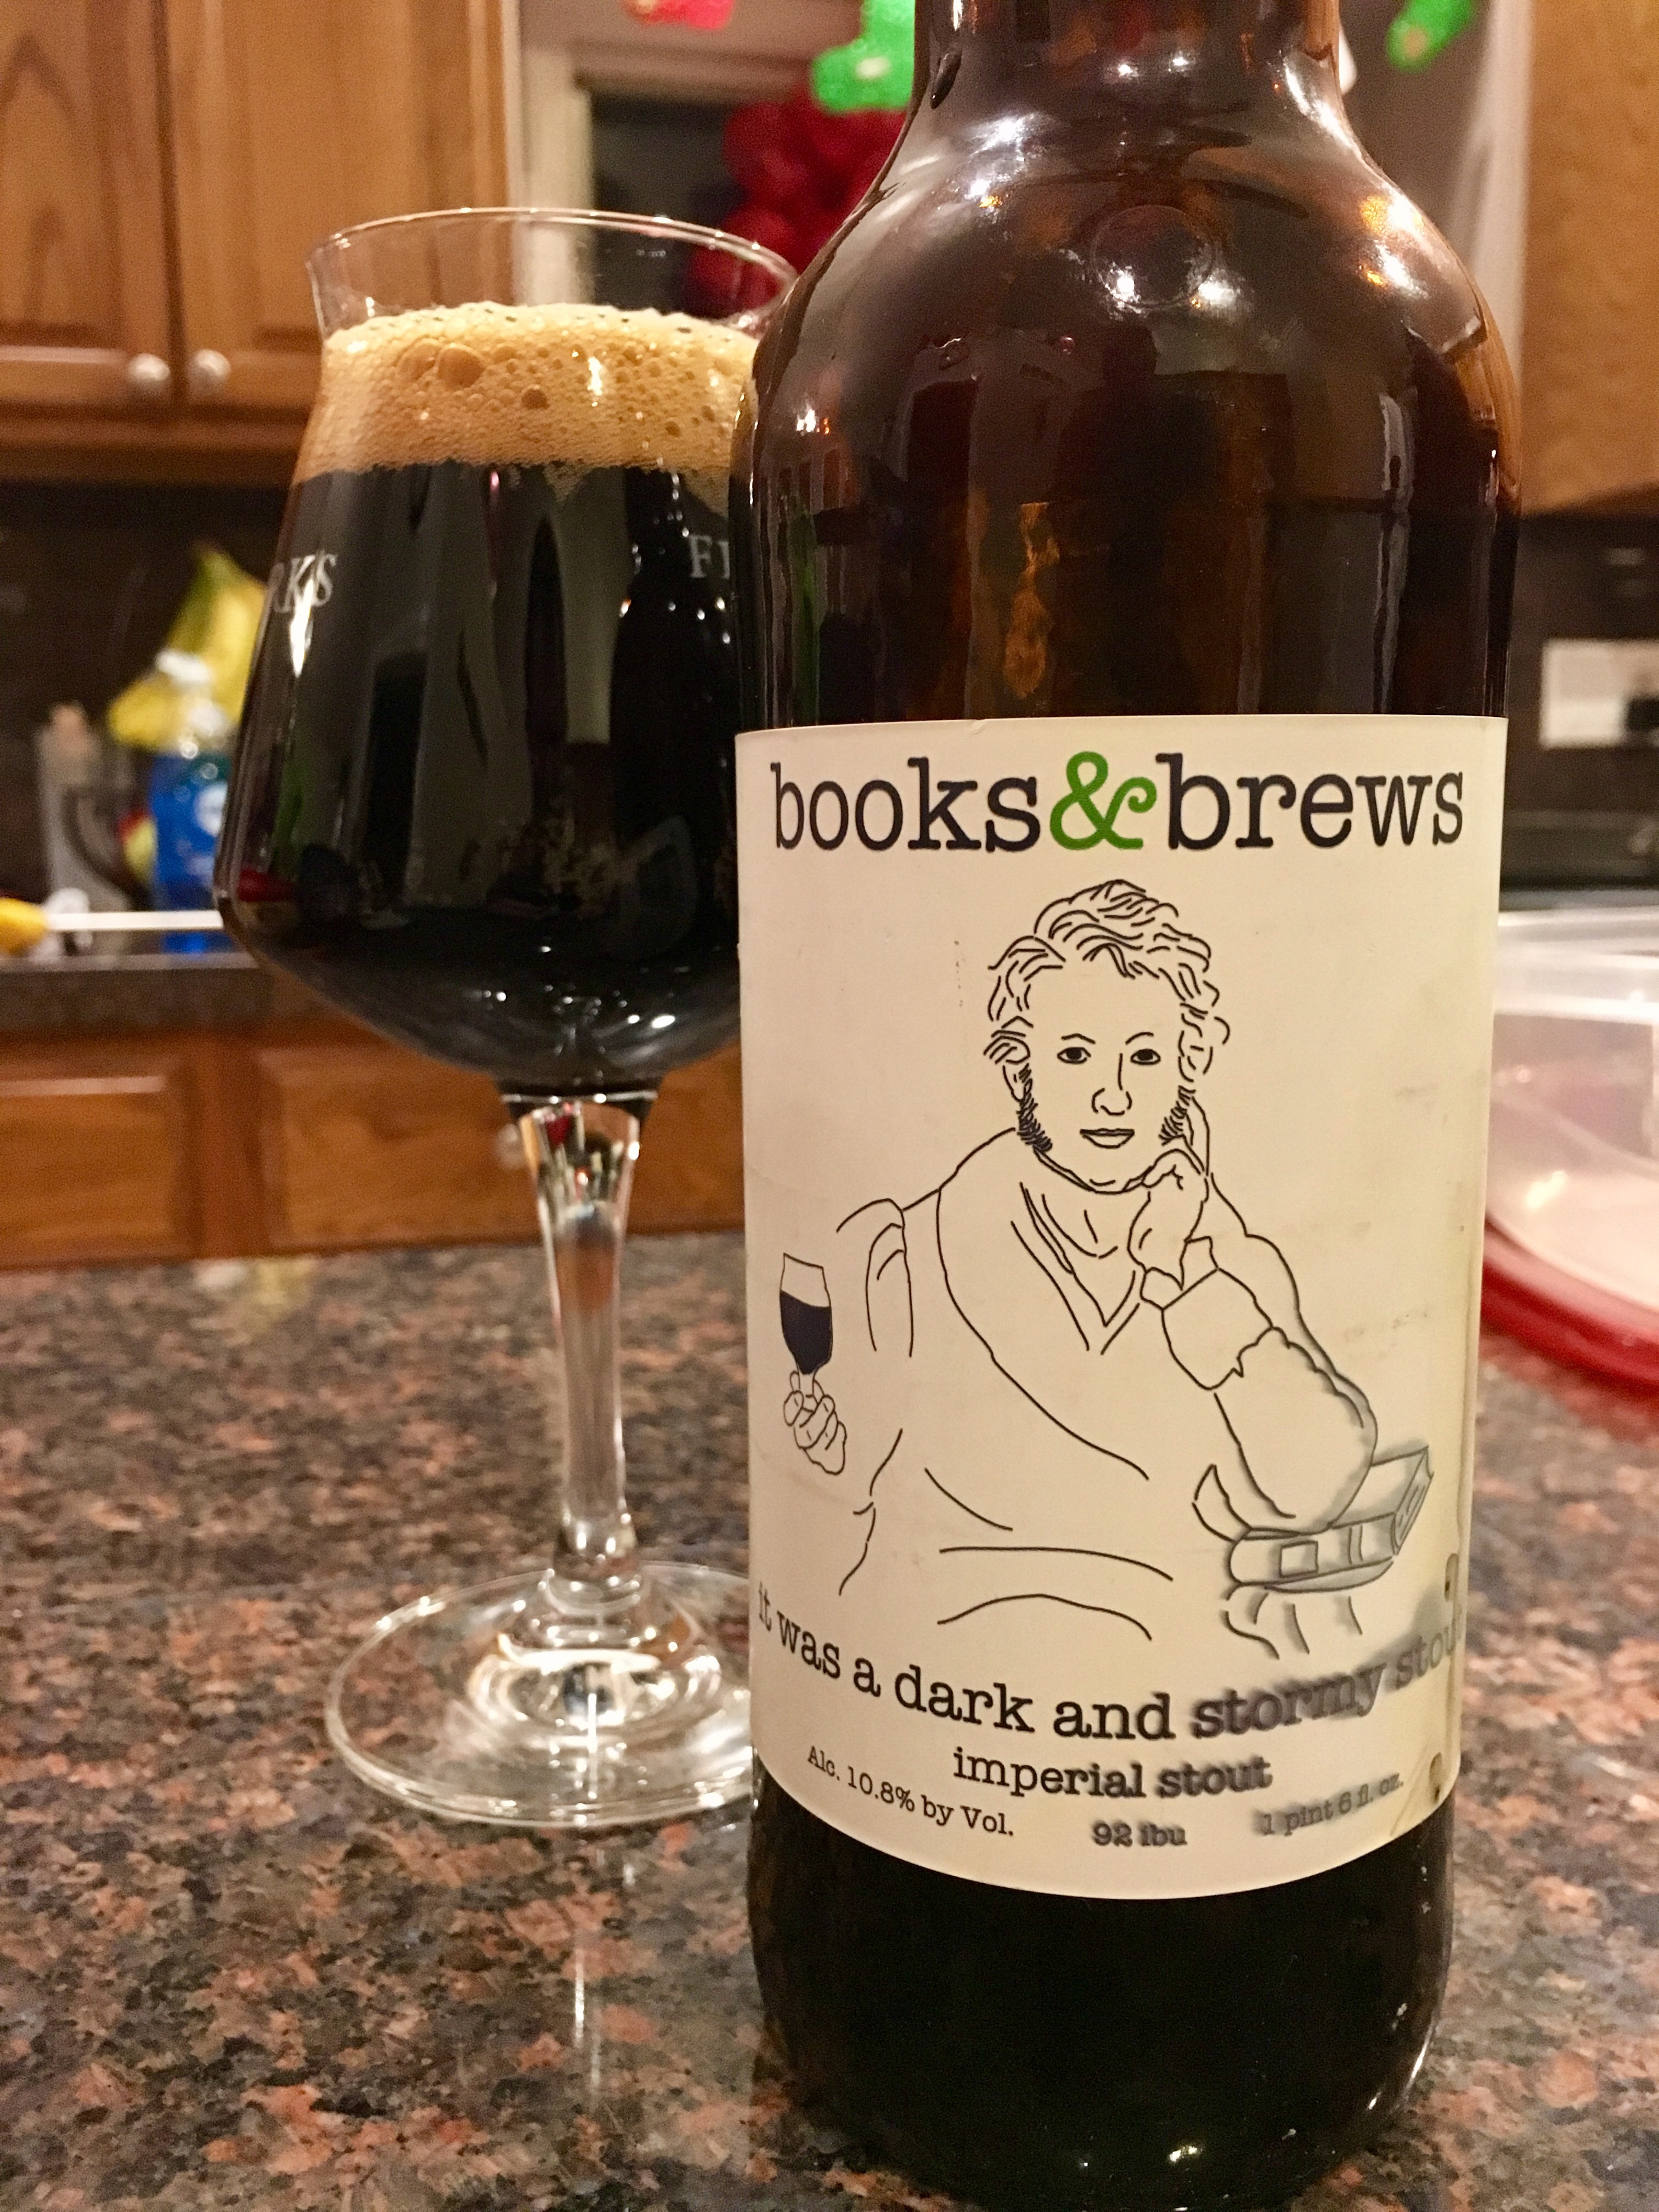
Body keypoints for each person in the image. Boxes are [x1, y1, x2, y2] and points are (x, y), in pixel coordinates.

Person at [779, 879, 1411, 1660]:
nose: (1112, 1096)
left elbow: (1317, 1488)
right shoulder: (905, 1252)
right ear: (1020, 1072)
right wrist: (829, 1440)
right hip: (941, 1644)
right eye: (1075, 1056)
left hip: (1176, 1668)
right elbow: (839, 1491)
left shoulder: (1230, 1270)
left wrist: (1182, 1281)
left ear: (1185, 1069)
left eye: (1144, 1057)